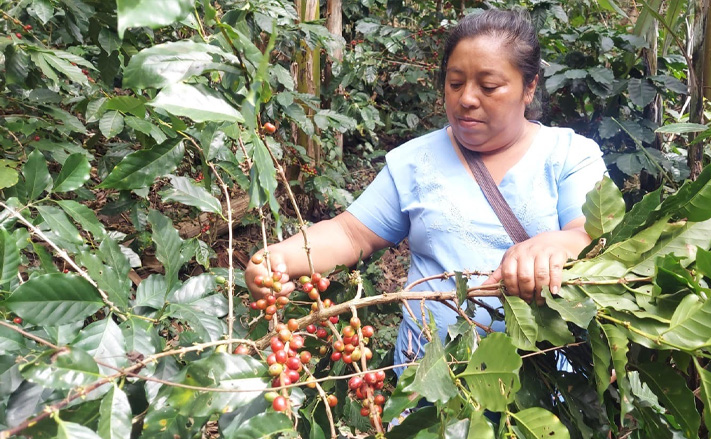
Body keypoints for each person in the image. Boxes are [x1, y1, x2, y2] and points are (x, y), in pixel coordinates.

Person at [246, 8, 606, 372]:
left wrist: (554, 246)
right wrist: (280, 259)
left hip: (546, 391)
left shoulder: (570, 155)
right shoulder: (416, 162)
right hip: (427, 388)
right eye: (455, 83)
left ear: (529, 87)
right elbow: (350, 232)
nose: (466, 98)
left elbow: (594, 239)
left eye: (489, 86)